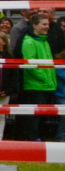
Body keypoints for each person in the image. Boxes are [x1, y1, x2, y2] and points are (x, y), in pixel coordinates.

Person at [15, 13, 56, 142]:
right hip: (35, 85)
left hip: (46, 85)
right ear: (34, 25)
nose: (47, 27)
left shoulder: (44, 41)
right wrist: (44, 78)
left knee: (42, 114)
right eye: (44, 24)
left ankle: (38, 136)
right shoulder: (29, 42)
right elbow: (30, 64)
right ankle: (32, 138)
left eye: (48, 24)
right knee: (33, 115)